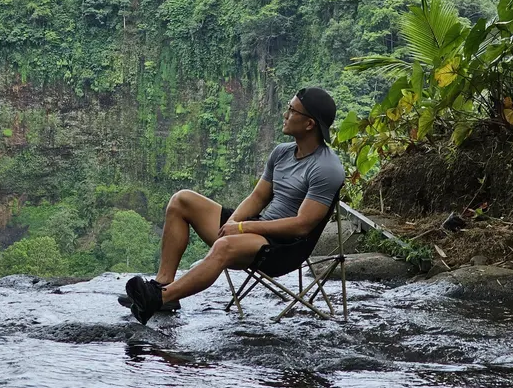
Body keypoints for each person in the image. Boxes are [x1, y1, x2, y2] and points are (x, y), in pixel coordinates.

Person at [120, 86, 345, 325]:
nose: (285, 114)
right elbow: (257, 198)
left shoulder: (326, 168)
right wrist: (232, 223)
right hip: (258, 229)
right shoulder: (282, 153)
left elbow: (302, 226)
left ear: (309, 124)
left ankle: (157, 299)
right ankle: (163, 283)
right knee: (182, 200)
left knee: (225, 245)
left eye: (291, 110)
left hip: (284, 248)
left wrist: (241, 230)